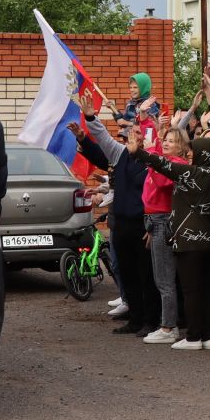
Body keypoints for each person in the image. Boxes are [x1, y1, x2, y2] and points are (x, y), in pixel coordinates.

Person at [128, 126, 210, 351]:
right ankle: (207, 336)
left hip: (189, 240)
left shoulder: (191, 173)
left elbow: (162, 164)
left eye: (194, 151)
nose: (190, 154)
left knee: (191, 290)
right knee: (207, 289)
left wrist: (138, 152)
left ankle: (193, 338)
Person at [76, 114, 160, 338]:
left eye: (139, 133)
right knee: (128, 273)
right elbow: (102, 138)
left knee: (146, 275)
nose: (133, 136)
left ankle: (151, 321)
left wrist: (140, 153)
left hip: (142, 224)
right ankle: (135, 319)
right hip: (121, 223)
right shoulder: (120, 153)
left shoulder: (152, 159)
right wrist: (90, 119)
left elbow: (142, 182)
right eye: (132, 132)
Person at [135, 120, 187, 344]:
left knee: (165, 279)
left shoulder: (175, 164)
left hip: (163, 220)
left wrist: (151, 156)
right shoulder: (163, 162)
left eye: (172, 141)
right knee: (160, 277)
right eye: (165, 140)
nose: (166, 144)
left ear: (181, 147)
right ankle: (167, 324)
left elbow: (160, 181)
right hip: (153, 220)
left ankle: (169, 327)